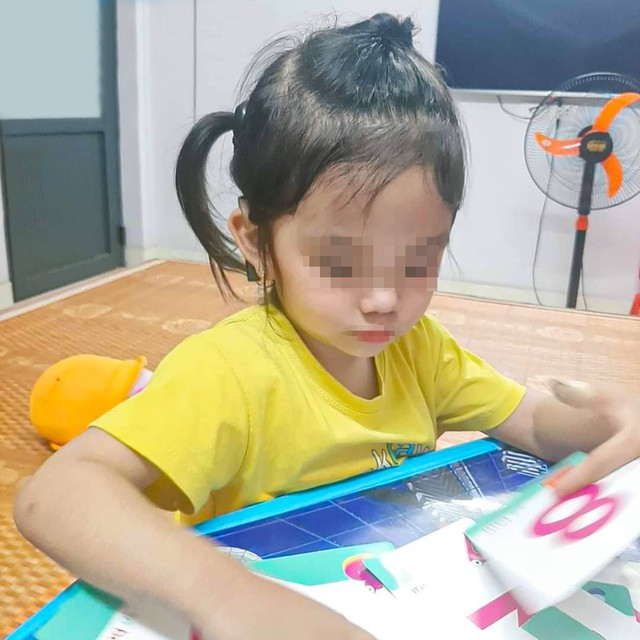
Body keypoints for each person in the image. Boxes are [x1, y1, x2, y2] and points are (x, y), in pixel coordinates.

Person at [14, 13, 640, 640]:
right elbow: (55, 495)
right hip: (265, 586)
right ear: (258, 244)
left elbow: (529, 419)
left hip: (380, 577)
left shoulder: (419, 351)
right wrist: (226, 596)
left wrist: (606, 425)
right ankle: (120, 391)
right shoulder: (228, 373)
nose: (382, 301)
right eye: (339, 263)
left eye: (419, 262)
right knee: (137, 413)